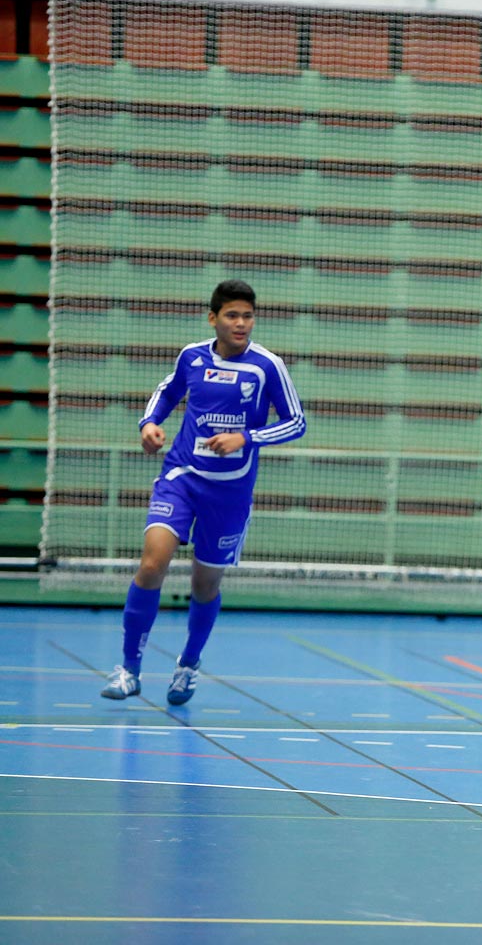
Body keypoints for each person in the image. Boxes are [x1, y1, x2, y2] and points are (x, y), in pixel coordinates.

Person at [100, 279, 306, 705]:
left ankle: (188, 664)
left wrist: (246, 437)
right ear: (213, 318)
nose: (241, 323)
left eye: (248, 316)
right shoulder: (192, 356)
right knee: (153, 563)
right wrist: (148, 424)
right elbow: (167, 392)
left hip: (229, 492)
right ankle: (128, 669)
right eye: (232, 315)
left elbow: (296, 422)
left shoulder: (267, 366)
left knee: (204, 584)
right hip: (181, 476)